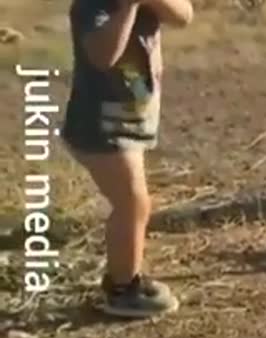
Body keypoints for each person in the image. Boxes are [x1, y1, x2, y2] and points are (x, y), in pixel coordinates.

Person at [61, 0, 193, 318]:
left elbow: (184, 16)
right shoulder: (91, 7)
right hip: (100, 126)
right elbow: (103, 56)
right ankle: (123, 288)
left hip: (130, 123)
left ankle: (124, 277)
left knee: (133, 203)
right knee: (132, 203)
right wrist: (129, 5)